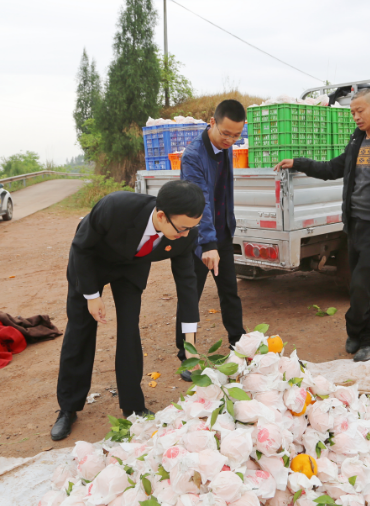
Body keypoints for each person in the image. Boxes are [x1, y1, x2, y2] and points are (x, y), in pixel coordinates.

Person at [274, 88, 370, 362]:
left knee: (360, 286)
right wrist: (298, 162)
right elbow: (332, 169)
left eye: (360, 111)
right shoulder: (357, 141)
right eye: (352, 112)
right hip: (355, 225)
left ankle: (364, 335)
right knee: (364, 287)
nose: (355, 117)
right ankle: (367, 338)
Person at [51, 180, 205, 441]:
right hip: (91, 262)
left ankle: (133, 406)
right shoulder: (115, 207)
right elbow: (81, 246)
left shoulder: (184, 234)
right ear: (161, 216)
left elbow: (187, 286)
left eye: (193, 227)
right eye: (182, 228)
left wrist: (189, 343)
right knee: (80, 329)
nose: (187, 235)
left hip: (131, 267)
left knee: (129, 330)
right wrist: (92, 295)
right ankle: (68, 407)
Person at [175, 99, 247, 380]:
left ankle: (239, 344)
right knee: (190, 296)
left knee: (230, 290)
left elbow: (223, 193)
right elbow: (200, 201)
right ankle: (186, 354)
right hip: (197, 238)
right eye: (225, 133)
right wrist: (208, 244)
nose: (230, 140)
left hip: (222, 232)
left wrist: (224, 232)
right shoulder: (193, 155)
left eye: (236, 135)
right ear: (212, 123)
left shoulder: (226, 149)